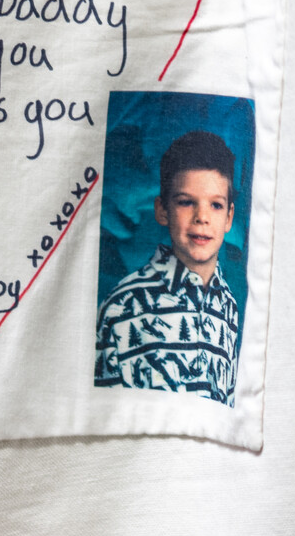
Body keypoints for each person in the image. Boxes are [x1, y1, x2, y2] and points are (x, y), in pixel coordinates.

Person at [94, 130, 243, 405]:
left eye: (216, 205)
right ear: (162, 209)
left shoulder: (229, 308)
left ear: (229, 217)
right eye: (186, 202)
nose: (202, 218)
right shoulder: (122, 303)